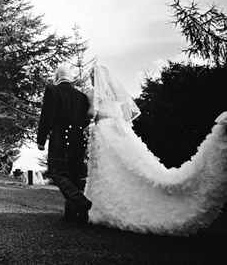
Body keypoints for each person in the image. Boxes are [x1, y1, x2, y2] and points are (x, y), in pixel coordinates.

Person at [84, 64, 227, 236]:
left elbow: (91, 114)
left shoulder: (92, 94)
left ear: (94, 79)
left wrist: (84, 119)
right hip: (120, 130)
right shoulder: (115, 94)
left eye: (92, 77)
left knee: (108, 171)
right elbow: (123, 115)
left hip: (104, 131)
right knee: (132, 167)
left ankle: (104, 206)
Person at [37, 65, 92, 223]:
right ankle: (72, 215)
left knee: (57, 172)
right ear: (70, 77)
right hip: (78, 137)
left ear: (56, 77)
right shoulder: (81, 96)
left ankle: (80, 202)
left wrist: (41, 139)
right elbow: (86, 119)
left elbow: (46, 116)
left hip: (61, 136)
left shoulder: (52, 90)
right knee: (73, 175)